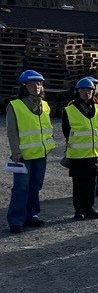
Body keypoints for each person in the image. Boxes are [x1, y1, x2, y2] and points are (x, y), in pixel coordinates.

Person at [6, 70, 54, 234]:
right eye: (32, 84)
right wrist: (15, 152)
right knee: (21, 187)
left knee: (35, 185)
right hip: (23, 155)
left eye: (39, 84)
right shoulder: (15, 105)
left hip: (41, 154)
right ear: (24, 86)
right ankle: (15, 220)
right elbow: (12, 131)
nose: (36, 87)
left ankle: (31, 215)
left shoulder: (45, 105)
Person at [63, 77, 98, 220]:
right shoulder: (70, 110)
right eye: (83, 90)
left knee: (91, 184)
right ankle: (79, 210)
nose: (86, 92)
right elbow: (67, 132)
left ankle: (89, 208)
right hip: (78, 155)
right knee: (78, 184)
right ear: (77, 91)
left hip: (94, 154)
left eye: (89, 90)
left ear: (93, 92)